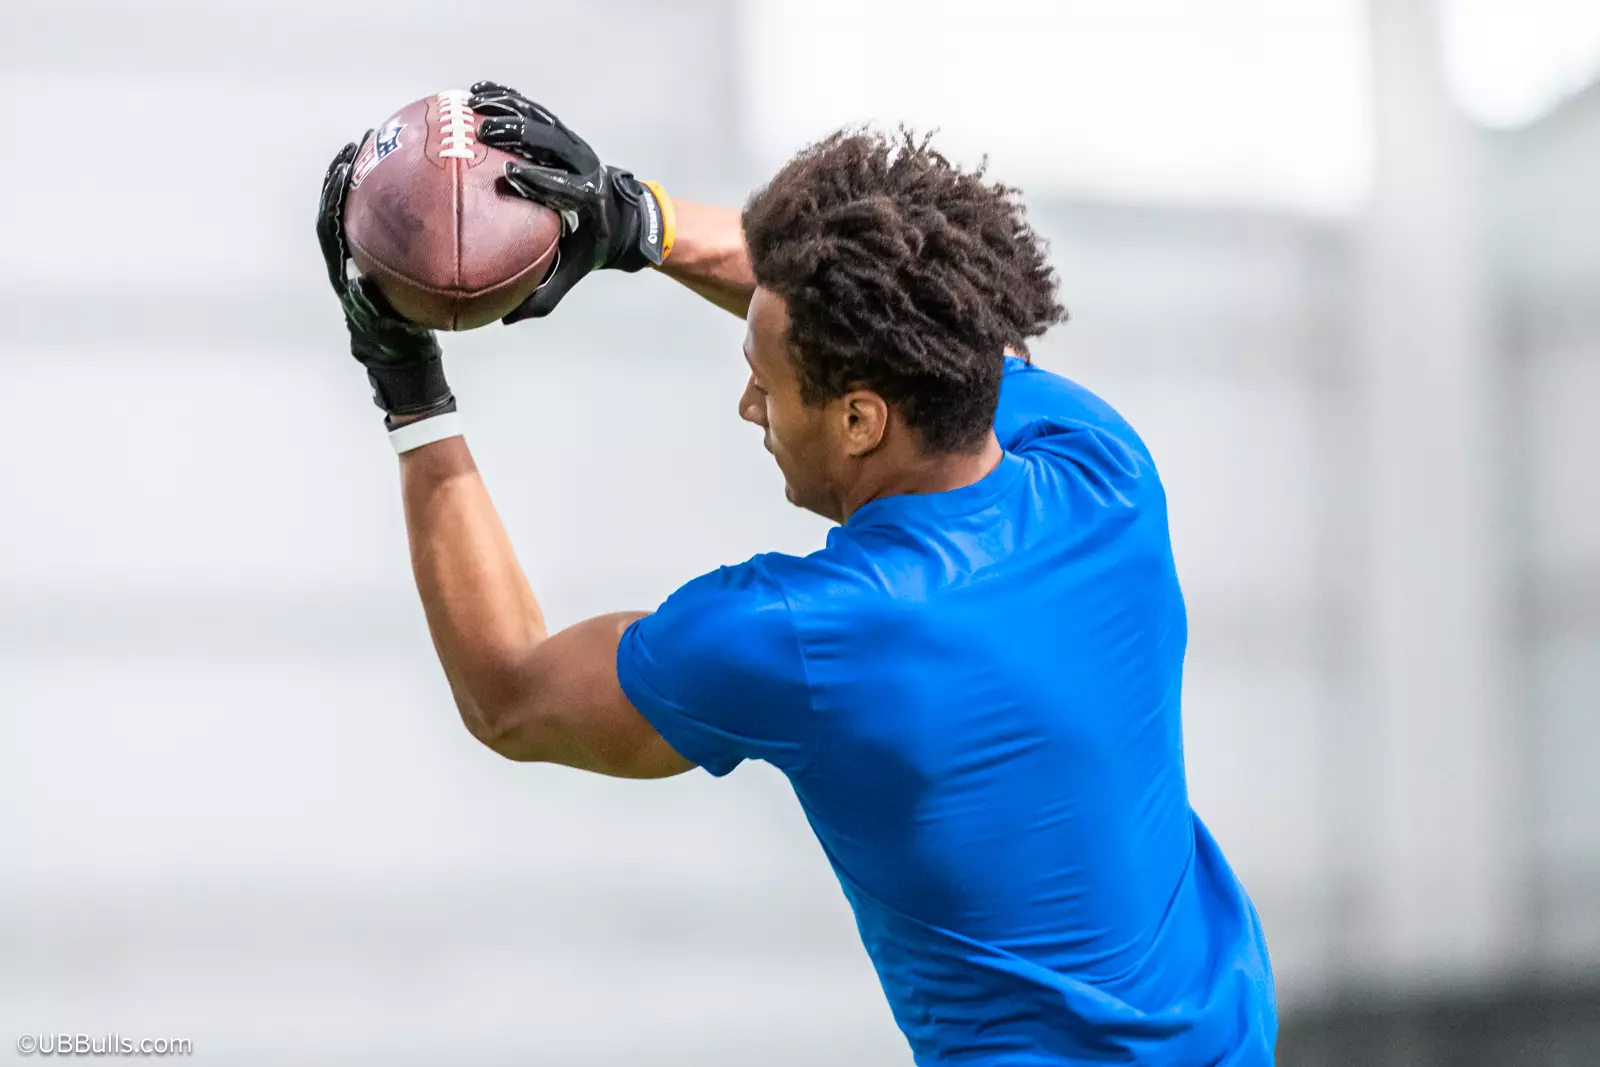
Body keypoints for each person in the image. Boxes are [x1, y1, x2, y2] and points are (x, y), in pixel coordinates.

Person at [314, 80, 1277, 1066]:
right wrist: (634, 218)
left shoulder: (806, 632)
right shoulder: (1098, 464)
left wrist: (407, 385)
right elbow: (919, 323)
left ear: (860, 419)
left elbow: (513, 694)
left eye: (765, 383)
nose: (746, 406)